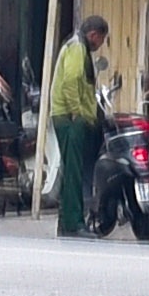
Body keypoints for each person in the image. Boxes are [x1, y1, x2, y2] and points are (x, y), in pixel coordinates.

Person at [45, 15, 117, 236]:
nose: (100, 45)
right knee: (74, 173)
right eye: (101, 40)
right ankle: (74, 223)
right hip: (70, 118)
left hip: (68, 116)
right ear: (93, 34)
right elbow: (71, 80)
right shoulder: (77, 48)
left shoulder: (76, 46)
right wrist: (76, 111)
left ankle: (66, 222)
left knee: (71, 171)